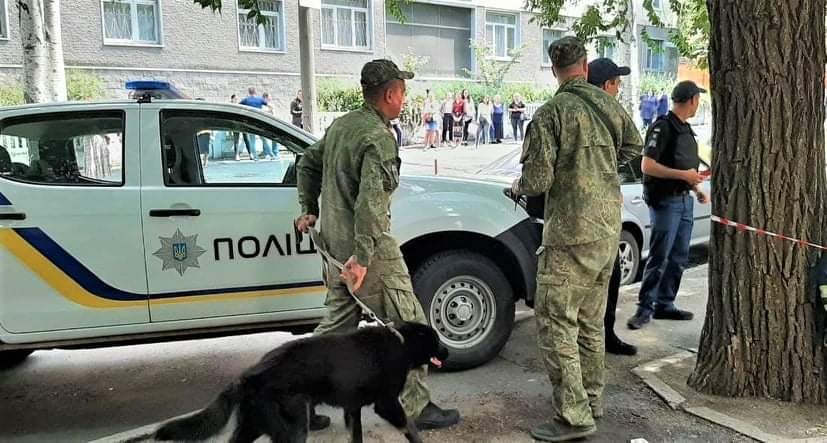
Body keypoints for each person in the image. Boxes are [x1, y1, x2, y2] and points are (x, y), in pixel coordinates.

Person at [295, 59, 461, 432]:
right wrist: (366, 257)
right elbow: (371, 203)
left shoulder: (342, 126)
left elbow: (307, 162)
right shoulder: (377, 136)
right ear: (389, 94)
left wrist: (308, 209)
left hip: (335, 249)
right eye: (403, 91)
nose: (404, 99)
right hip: (366, 253)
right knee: (413, 326)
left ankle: (297, 393)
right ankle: (416, 407)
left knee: (335, 329)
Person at [511, 37, 641, 442]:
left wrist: (517, 185)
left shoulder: (550, 114)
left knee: (555, 323)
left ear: (555, 70)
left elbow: (537, 181)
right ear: (584, 66)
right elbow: (635, 147)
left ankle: (573, 416)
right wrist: (602, 172)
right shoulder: (609, 105)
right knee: (590, 322)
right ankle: (592, 401)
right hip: (607, 231)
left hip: (569, 234)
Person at [627, 81, 709, 330]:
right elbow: (647, 166)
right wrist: (684, 177)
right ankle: (644, 308)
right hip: (666, 202)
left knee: (679, 256)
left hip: (685, 200)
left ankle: (665, 303)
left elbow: (687, 167)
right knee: (659, 255)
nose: (698, 104)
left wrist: (695, 189)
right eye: (697, 99)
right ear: (692, 100)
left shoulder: (685, 130)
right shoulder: (663, 127)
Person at [586, 57, 638, 356]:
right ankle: (597, 339)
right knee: (601, 278)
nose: (618, 89)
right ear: (606, 85)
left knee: (609, 276)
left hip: (591, 215)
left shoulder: (570, 109)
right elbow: (634, 146)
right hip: (593, 217)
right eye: (617, 83)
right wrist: (606, 170)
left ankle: (604, 335)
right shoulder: (610, 115)